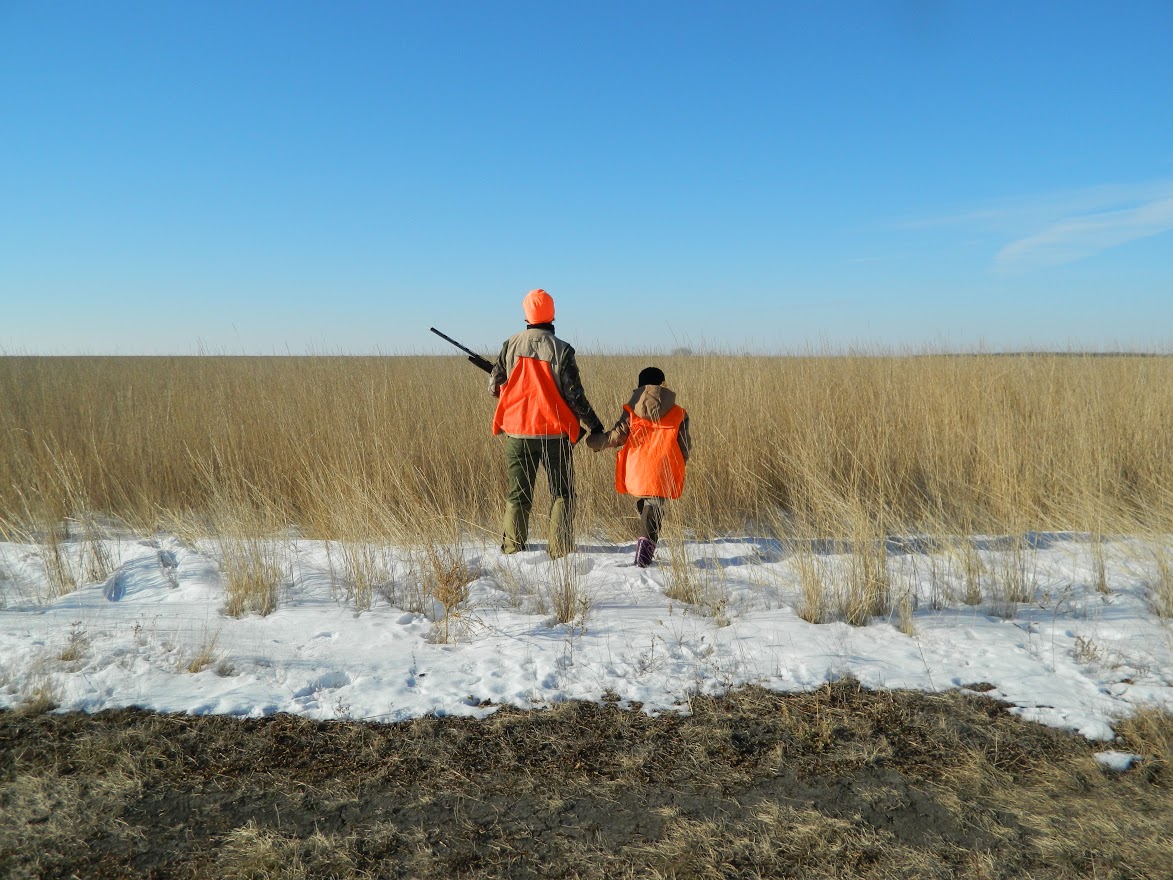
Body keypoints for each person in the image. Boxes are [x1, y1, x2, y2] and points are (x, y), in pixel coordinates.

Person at [489, 289, 605, 558]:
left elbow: (494, 385)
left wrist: (507, 387)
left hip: (517, 433)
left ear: (526, 315)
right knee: (562, 493)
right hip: (555, 435)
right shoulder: (562, 350)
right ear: (552, 314)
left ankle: (512, 549)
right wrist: (595, 426)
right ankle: (560, 551)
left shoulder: (510, 345)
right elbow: (575, 396)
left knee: (519, 494)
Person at [588, 367, 691, 567]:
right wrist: (680, 464)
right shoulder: (679, 413)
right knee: (654, 506)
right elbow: (685, 446)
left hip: (638, 467)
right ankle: (643, 560)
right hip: (665, 467)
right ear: (663, 384)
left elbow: (616, 437)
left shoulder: (632, 411)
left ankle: (645, 543)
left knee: (648, 503)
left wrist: (593, 441)